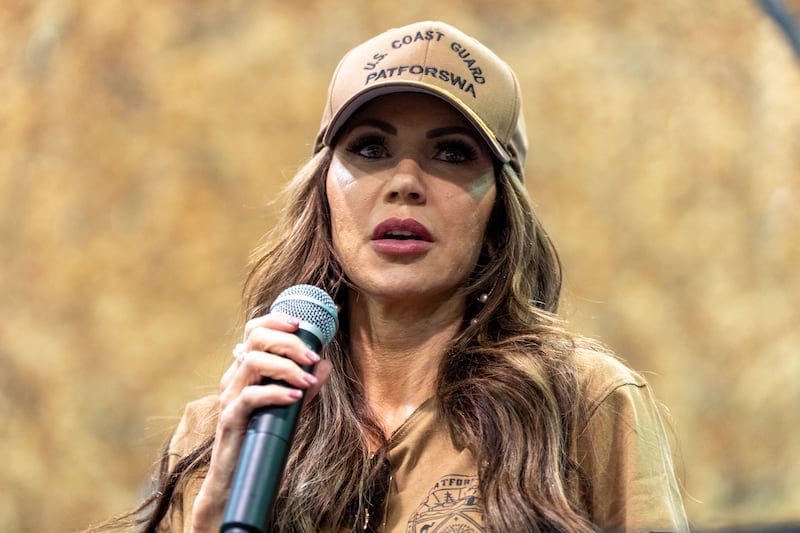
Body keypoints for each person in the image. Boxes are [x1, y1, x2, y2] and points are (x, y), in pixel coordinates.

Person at [101, 20, 689, 533]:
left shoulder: (583, 405)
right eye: (371, 148)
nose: (405, 180)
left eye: (452, 153)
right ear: (323, 193)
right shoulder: (229, 427)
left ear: (499, 210)